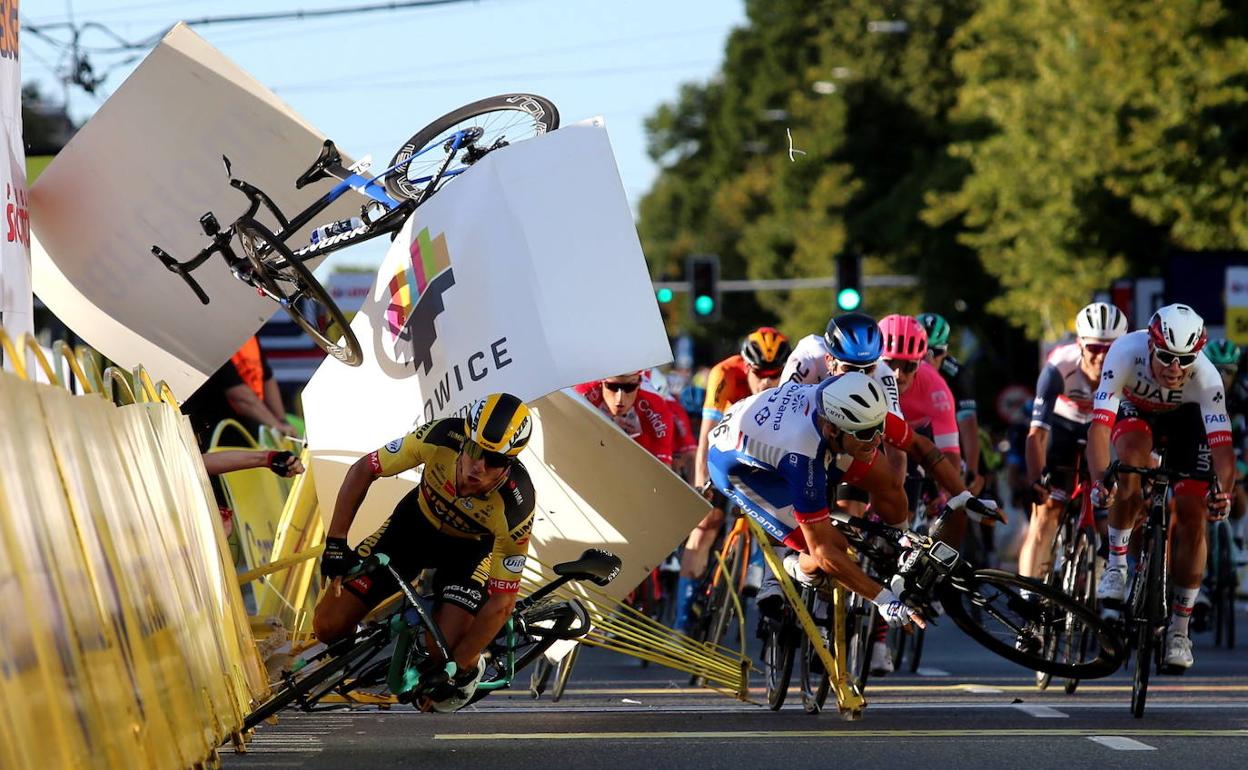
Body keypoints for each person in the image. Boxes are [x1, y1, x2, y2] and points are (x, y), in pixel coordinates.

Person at [313, 393, 536, 712]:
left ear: (509, 465)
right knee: (328, 626)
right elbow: (365, 468)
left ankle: (467, 659)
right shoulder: (440, 437)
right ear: (465, 440)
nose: (479, 466)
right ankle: (378, 631)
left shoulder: (517, 505)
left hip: (469, 552)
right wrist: (335, 542)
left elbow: (503, 602)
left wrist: (457, 668)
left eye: (495, 461)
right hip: (412, 528)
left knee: (442, 654)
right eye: (474, 450)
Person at [706, 372, 926, 629]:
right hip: (740, 469)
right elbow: (825, 552)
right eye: (866, 433)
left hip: (780, 430)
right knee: (831, 552)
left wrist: (963, 497)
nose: (878, 439)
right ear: (833, 429)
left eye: (880, 428)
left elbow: (919, 448)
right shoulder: (801, 458)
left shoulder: (843, 401)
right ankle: (794, 566)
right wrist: (884, 599)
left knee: (887, 481)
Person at [1089, 304, 1234, 671]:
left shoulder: (1206, 377)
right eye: (1166, 356)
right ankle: (1117, 565)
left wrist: (1224, 492)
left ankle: (1179, 631)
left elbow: (1221, 445)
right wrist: (1099, 478)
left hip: (1188, 424)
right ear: (1151, 346)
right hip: (1137, 413)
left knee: (1192, 511)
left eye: (1184, 360)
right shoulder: (1123, 352)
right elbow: (1100, 427)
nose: (1174, 368)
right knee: (1130, 467)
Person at [676, 328, 791, 629]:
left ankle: (757, 567)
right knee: (707, 524)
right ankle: (681, 617)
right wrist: (702, 485)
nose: (767, 381)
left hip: (763, 452)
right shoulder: (724, 373)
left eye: (775, 373)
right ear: (745, 365)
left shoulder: (791, 382)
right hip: (723, 447)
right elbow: (704, 438)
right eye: (760, 373)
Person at [1018, 302, 1127, 588]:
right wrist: (1035, 479)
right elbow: (1037, 435)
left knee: (1125, 495)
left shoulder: (1131, 369)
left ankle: (1107, 565)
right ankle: (1029, 600)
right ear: (1079, 344)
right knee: (1046, 512)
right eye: (1094, 348)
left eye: (1111, 349)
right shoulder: (1058, 366)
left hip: (1105, 427)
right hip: (1063, 425)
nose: (1102, 357)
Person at [917, 313, 982, 488]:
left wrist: (972, 471)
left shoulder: (957, 374)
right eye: (921, 353)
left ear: (945, 351)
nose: (928, 360)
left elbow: (968, 428)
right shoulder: (899, 368)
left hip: (949, 438)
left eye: (935, 352)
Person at [575, 372, 676, 467]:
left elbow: (663, 468)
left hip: (638, 442)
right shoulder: (585, 392)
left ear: (639, 384)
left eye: (629, 387)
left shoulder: (656, 407)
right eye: (612, 386)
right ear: (601, 382)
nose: (620, 398)